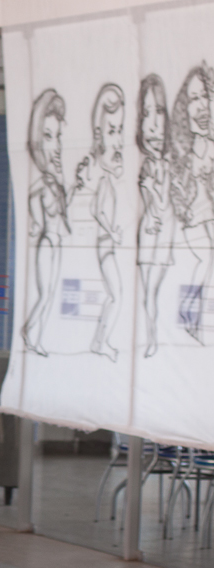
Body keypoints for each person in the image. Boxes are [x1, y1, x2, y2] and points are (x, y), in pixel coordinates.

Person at [22, 88, 73, 356]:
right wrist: (36, 224)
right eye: (48, 136)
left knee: (51, 294)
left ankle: (36, 338)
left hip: (55, 241)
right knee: (44, 294)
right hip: (47, 242)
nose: (55, 145)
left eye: (58, 136)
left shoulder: (56, 183)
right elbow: (35, 205)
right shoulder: (42, 186)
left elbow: (63, 214)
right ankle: (29, 332)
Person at [170, 63, 214, 342]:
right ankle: (189, 315)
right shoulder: (186, 152)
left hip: (208, 216)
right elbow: (178, 191)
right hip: (194, 219)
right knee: (207, 256)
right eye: (193, 99)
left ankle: (194, 318)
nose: (200, 106)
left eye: (204, 96)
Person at [83, 83, 126, 362]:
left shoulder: (109, 179)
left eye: (120, 130)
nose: (119, 142)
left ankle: (100, 342)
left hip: (107, 243)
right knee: (116, 295)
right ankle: (100, 342)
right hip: (105, 244)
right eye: (112, 131)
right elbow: (96, 210)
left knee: (115, 295)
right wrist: (113, 232)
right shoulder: (104, 180)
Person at [137, 74, 175, 358]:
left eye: (158, 111)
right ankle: (150, 338)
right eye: (145, 113)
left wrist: (151, 187)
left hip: (161, 236)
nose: (151, 124)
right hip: (148, 233)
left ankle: (153, 339)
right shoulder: (148, 165)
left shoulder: (165, 167)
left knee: (152, 292)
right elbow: (151, 205)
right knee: (146, 293)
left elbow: (161, 205)